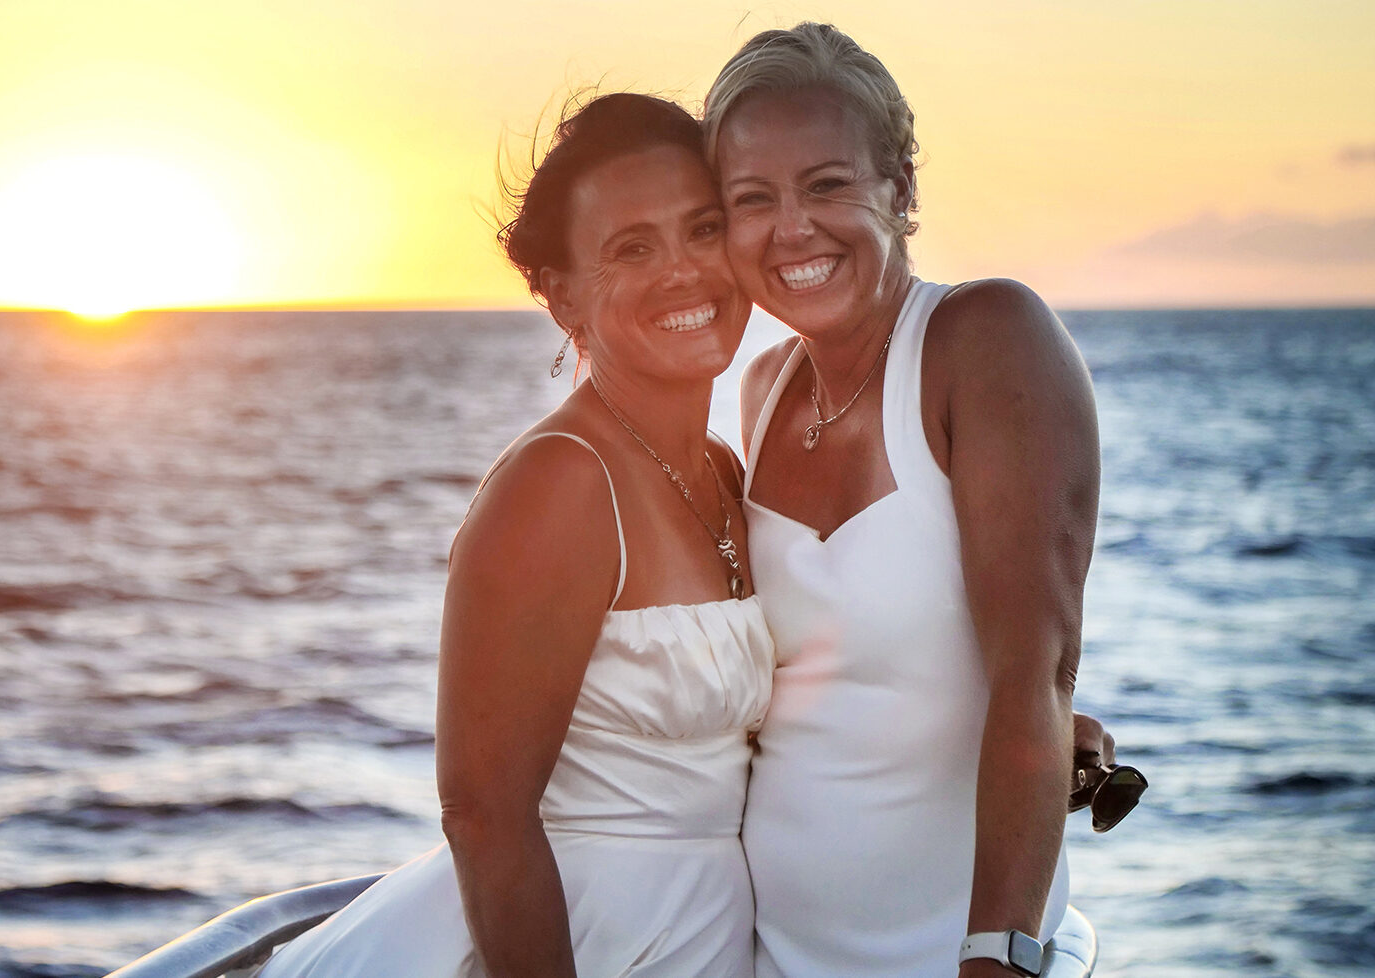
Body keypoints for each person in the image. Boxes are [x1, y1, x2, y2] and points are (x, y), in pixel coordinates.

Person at [258, 93, 772, 978]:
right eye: (632, 249)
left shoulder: (724, 468)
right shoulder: (560, 484)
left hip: (710, 934)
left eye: (704, 228)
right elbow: (482, 814)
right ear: (560, 292)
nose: (685, 272)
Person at [704, 24, 1102, 978]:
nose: (791, 228)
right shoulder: (759, 392)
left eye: (828, 186)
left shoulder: (987, 339)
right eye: (751, 200)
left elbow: (1034, 675)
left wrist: (996, 957)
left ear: (902, 189)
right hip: (762, 949)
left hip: (945, 951)